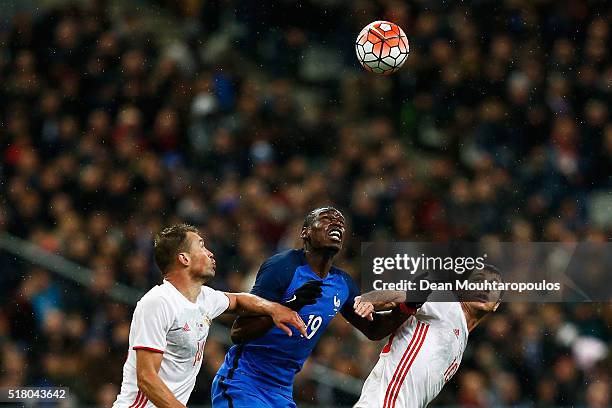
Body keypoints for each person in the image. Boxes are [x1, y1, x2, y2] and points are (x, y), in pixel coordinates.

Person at [212, 207, 417, 408]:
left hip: (281, 392)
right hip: (243, 383)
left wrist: (409, 305)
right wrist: (290, 306)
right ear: (305, 232)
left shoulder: (342, 283)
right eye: (327, 218)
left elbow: (374, 329)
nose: (336, 223)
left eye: (341, 223)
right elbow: (238, 333)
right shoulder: (282, 267)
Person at [112, 224, 307, 408]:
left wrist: (275, 309)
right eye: (202, 246)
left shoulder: (204, 298)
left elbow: (239, 301)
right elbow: (146, 377)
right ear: (184, 258)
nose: (210, 253)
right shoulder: (158, 302)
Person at [353, 264, 503, 408]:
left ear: (497, 304)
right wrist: (369, 300)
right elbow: (398, 296)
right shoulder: (447, 302)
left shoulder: (461, 337)